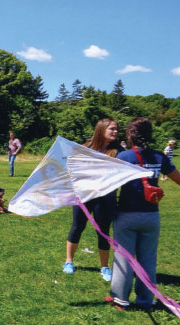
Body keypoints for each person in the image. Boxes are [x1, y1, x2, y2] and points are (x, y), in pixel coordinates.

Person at [109, 117, 180, 309]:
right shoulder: (160, 157)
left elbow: (108, 185)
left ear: (130, 135)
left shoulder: (124, 157)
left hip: (126, 215)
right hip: (151, 216)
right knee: (148, 259)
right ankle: (146, 300)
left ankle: (121, 299)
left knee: (124, 257)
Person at [62, 118, 122, 282]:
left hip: (106, 197)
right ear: (101, 129)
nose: (115, 132)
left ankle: (105, 267)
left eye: (116, 129)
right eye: (112, 129)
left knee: (103, 231)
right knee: (77, 227)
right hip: (84, 195)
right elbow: (72, 166)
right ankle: (69, 261)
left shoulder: (119, 151)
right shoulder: (86, 146)